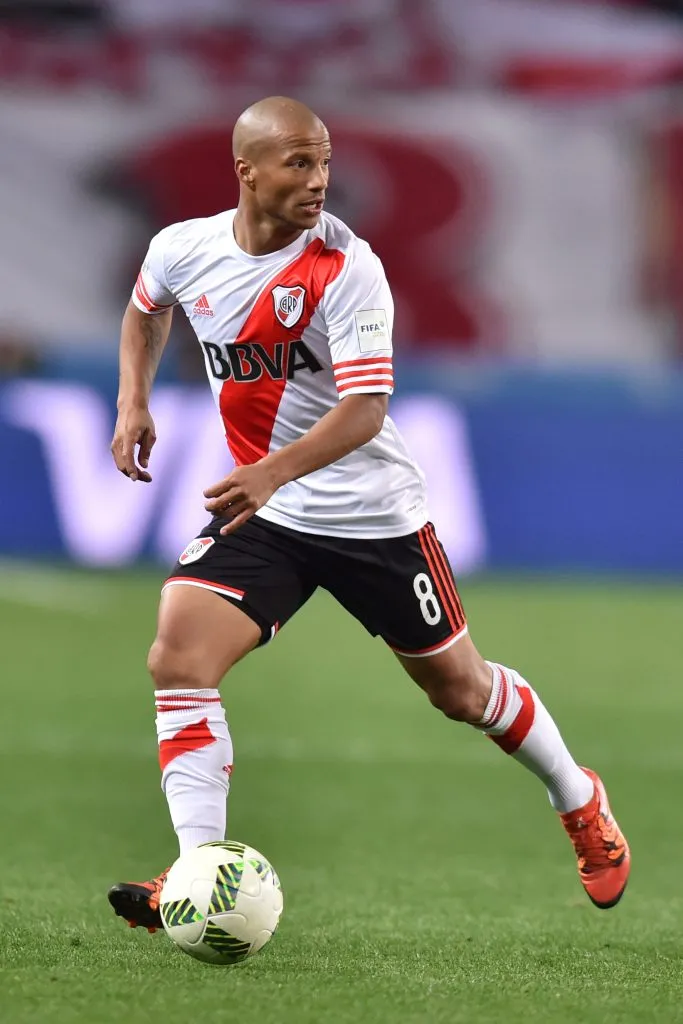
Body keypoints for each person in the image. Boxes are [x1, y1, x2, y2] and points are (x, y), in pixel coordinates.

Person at [107, 96, 630, 932]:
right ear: (245, 171)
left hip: (370, 515)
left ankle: (577, 796)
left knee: (460, 690)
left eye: (323, 161)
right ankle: (198, 871)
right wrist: (133, 402)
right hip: (269, 512)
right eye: (297, 163)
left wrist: (271, 472)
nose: (319, 180)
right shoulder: (183, 247)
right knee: (178, 656)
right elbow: (145, 309)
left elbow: (364, 409)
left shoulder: (347, 267)